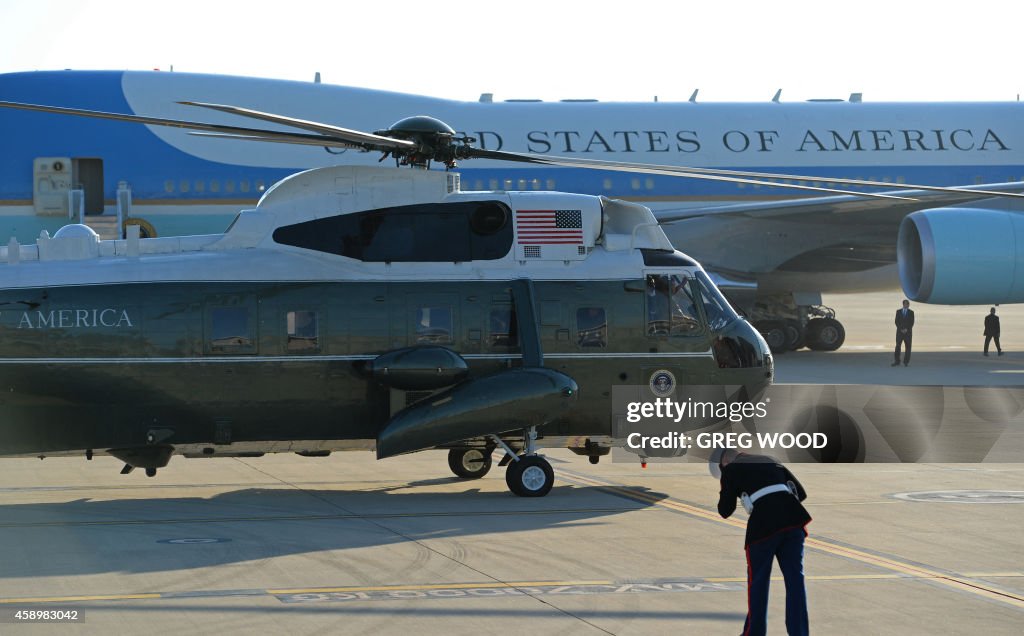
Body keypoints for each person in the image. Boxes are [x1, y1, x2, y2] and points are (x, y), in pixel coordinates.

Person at [712, 448, 811, 636]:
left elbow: (724, 510)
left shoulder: (731, 469)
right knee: (795, 581)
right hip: (793, 520)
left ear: (724, 463)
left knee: (758, 583)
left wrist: (732, 489)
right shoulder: (770, 459)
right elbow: (801, 493)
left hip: (764, 527)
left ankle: (754, 633)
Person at [893, 299, 914, 366]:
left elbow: (912, 322)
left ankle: (906, 362)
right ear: (903, 304)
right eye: (906, 304)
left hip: (908, 333)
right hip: (899, 332)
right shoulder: (898, 311)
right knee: (897, 347)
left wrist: (906, 329)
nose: (907, 305)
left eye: (908, 304)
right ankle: (897, 361)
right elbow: (896, 322)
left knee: (908, 347)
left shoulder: (911, 312)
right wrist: (901, 329)